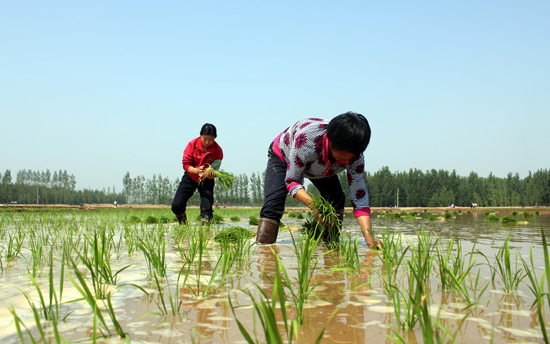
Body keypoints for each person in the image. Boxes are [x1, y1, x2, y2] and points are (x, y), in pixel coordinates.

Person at [256, 112, 381, 249]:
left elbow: (359, 198)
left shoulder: (355, 157)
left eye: (353, 154)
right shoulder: (307, 141)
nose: (348, 159)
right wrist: (316, 208)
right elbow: (292, 181)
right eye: (345, 154)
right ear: (332, 142)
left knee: (336, 198)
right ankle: (264, 249)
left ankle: (331, 245)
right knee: (273, 204)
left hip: (321, 167)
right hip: (283, 155)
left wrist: (370, 239)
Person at [171, 123, 223, 225]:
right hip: (191, 176)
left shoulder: (218, 150)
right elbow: (186, 164)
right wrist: (195, 170)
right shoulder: (192, 145)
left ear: (215, 139)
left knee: (206, 209)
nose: (207, 142)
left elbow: (215, 168)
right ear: (200, 136)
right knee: (177, 205)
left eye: (211, 139)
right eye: (205, 138)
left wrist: (212, 174)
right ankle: (182, 222)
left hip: (206, 179)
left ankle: (205, 230)